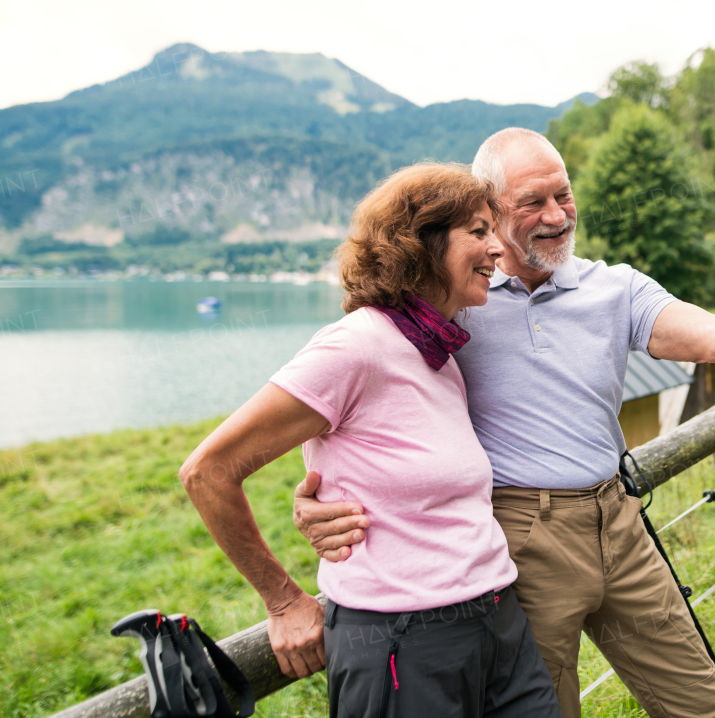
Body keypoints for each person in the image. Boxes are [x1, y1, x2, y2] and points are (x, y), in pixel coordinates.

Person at [294, 128, 715, 718]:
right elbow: (354, 387)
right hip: (520, 535)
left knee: (702, 704)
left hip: (617, 518)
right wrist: (321, 493)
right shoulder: (457, 299)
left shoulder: (613, 289)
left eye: (563, 194)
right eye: (531, 202)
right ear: (487, 211)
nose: (556, 215)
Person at [180, 164, 561, 718]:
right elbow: (207, 471)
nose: (496, 249)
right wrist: (284, 600)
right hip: (403, 641)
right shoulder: (355, 346)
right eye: (477, 231)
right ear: (424, 245)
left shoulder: (437, 351)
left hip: (499, 619)